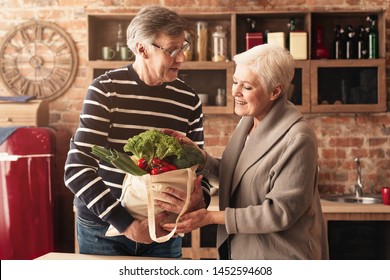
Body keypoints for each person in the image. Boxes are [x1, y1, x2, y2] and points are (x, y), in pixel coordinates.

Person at [64, 5, 210, 258]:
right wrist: (127, 225)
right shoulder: (105, 90)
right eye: (172, 49)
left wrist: (200, 199)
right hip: (104, 227)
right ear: (142, 49)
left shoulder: (188, 99)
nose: (181, 58)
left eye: (183, 47)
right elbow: (76, 169)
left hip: (164, 228)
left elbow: (199, 164)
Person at [159, 44, 329, 260]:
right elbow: (239, 176)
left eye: (247, 87)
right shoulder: (248, 121)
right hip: (245, 254)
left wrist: (210, 217)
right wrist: (199, 158)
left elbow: (280, 212)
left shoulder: (298, 137)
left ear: (275, 91)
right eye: (235, 82)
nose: (235, 92)